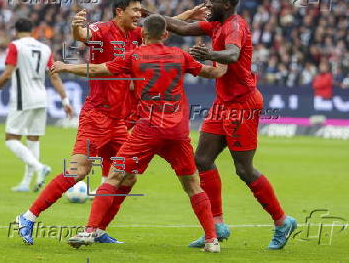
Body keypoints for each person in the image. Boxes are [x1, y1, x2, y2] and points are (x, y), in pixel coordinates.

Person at [14, 0, 204, 245]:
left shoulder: (138, 34)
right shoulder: (102, 30)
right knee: (78, 171)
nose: (139, 15)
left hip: (121, 121)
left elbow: (158, 25)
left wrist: (189, 15)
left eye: (140, 11)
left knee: (128, 175)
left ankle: (99, 229)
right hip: (98, 115)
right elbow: (84, 35)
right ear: (119, 11)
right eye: (135, 10)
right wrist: (76, 29)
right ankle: (28, 216)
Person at [51, 14, 228, 253]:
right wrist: (222, 55)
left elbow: (99, 69)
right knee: (193, 185)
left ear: (142, 34)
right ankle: (211, 240)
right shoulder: (180, 55)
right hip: (177, 131)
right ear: (166, 35)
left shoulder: (133, 55)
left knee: (114, 177)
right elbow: (214, 73)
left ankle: (91, 231)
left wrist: (66, 66)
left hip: (147, 130)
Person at [145, 0, 297, 249]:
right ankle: (217, 225)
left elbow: (233, 54)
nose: (207, 3)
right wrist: (145, 13)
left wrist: (209, 55)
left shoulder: (234, 27)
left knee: (244, 170)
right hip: (223, 103)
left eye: (212, 0)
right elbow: (179, 27)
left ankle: (282, 221)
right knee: (202, 160)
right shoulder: (215, 24)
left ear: (226, 5)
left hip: (243, 104)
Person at [0, 18, 73, 192]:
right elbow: (54, 76)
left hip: (22, 99)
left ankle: (39, 167)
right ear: (32, 31)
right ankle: (26, 182)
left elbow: (8, 74)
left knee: (11, 139)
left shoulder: (15, 46)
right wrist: (65, 100)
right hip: (41, 98)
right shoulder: (45, 48)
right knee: (33, 140)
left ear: (16, 31)